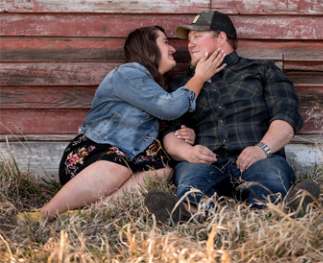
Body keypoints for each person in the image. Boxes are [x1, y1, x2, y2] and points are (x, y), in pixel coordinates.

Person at [18, 26, 225, 224]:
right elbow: (169, 107)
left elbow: (165, 117)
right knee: (120, 165)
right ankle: (43, 214)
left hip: (123, 161)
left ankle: (87, 215)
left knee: (162, 172)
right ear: (147, 47)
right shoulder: (129, 73)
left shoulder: (155, 87)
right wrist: (199, 77)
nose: (173, 48)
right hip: (90, 156)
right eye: (165, 42)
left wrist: (183, 133)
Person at [144, 10, 319, 224]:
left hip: (257, 158)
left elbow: (287, 117)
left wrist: (261, 149)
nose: (190, 44)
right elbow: (170, 131)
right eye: (189, 40)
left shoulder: (262, 71)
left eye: (197, 36)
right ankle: (190, 213)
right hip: (206, 162)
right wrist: (188, 153)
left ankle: (279, 211)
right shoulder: (183, 85)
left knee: (270, 175)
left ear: (222, 38)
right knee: (191, 180)